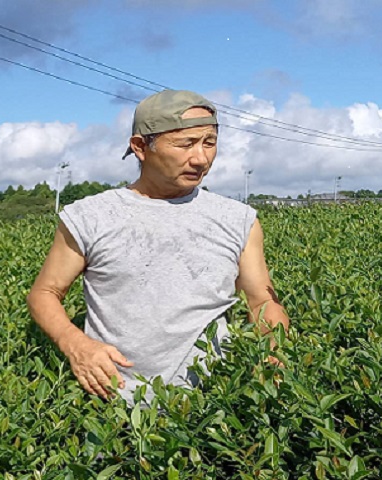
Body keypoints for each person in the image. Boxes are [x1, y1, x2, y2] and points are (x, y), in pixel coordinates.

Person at [26, 90, 289, 404]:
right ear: (140, 147)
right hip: (115, 407)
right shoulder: (90, 217)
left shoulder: (238, 220)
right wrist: (76, 345)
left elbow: (261, 301)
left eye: (209, 142)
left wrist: (271, 355)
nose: (201, 158)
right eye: (185, 144)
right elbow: (44, 293)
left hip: (215, 405)